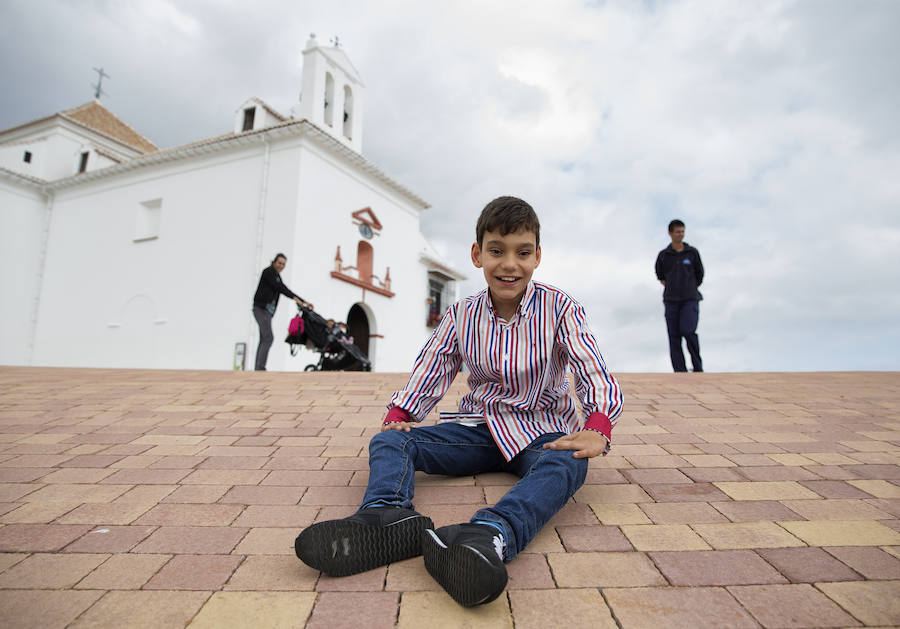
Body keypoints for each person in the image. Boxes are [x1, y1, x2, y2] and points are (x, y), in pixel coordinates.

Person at [294, 196, 623, 607]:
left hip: (542, 433)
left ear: (537, 256)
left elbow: (591, 367)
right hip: (478, 430)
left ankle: (487, 536)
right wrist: (402, 412)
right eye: (496, 251)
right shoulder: (461, 314)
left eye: (522, 253)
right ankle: (388, 518)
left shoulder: (561, 308)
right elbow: (435, 364)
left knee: (569, 464)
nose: (509, 264)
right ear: (477, 254)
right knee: (392, 441)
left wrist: (597, 427)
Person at [655, 219, 704, 372]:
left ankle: (698, 368)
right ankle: (680, 372)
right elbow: (660, 274)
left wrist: (689, 287)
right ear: (670, 233)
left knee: (689, 331)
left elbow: (700, 274)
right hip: (671, 301)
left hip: (690, 299)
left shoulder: (692, 253)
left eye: (682, 231)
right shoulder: (664, 255)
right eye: (677, 231)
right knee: (674, 336)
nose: (680, 234)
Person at [252, 253, 312, 371]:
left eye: (283, 264)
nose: (281, 266)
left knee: (264, 338)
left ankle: (258, 367)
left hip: (267, 312)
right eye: (279, 263)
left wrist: (302, 301)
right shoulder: (268, 273)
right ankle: (260, 368)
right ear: (274, 262)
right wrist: (297, 300)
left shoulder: (277, 277)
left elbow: (284, 288)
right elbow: (281, 288)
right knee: (268, 337)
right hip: (261, 309)